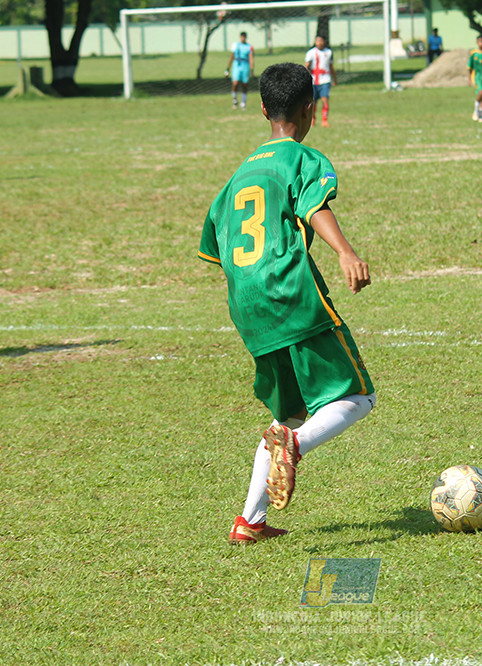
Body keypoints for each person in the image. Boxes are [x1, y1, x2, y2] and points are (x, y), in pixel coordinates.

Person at [198, 63, 376, 544]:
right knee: (358, 397)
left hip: (246, 306)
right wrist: (345, 252)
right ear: (310, 108)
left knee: (288, 412)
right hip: (289, 294)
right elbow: (313, 206)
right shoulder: (301, 158)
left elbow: (215, 243)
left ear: (262, 109)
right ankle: (293, 447)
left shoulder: (237, 176)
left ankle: (248, 522)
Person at [305, 35, 336, 128]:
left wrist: (334, 78)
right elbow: (307, 66)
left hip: (325, 80)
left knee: (325, 99)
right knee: (313, 102)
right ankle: (312, 119)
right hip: (314, 81)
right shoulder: (311, 53)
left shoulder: (329, 52)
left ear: (324, 42)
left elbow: (331, 66)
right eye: (317, 41)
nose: (319, 43)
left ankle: (325, 120)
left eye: (321, 41)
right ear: (315, 42)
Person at [225, 31, 255, 110]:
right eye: (242, 36)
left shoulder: (249, 47)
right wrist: (228, 67)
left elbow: (251, 58)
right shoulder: (236, 45)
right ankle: (235, 100)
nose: (243, 38)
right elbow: (232, 56)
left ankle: (243, 102)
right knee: (235, 83)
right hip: (237, 65)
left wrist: (252, 69)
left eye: (244, 36)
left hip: (245, 65)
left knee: (244, 84)